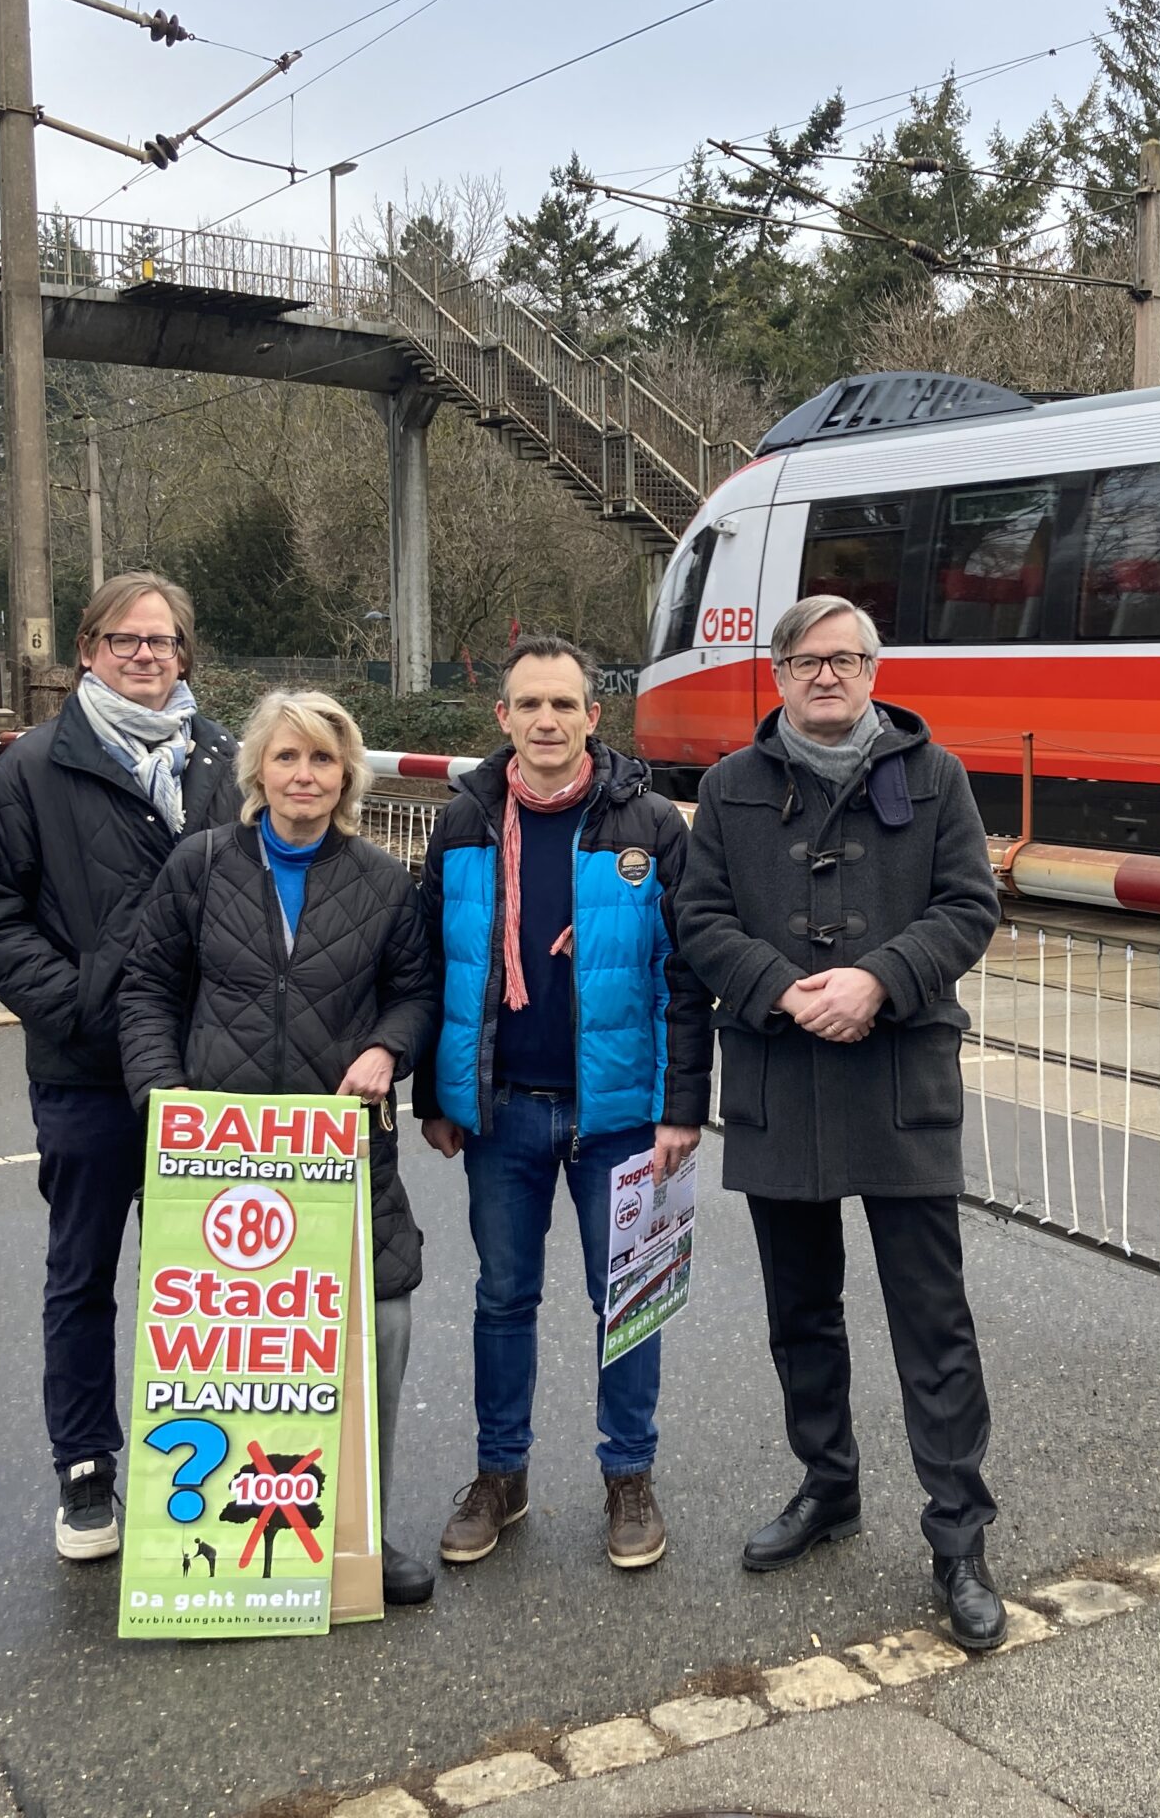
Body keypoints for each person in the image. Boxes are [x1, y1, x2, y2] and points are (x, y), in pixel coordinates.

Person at [674, 594, 1008, 1650]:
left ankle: (959, 1536)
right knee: (800, 1312)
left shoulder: (936, 774)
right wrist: (783, 988)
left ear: (875, 669)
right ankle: (829, 1486)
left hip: (899, 1073)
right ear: (775, 674)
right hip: (782, 1078)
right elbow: (699, 918)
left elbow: (967, 906)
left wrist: (875, 981)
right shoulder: (728, 788)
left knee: (932, 1323)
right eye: (809, 660)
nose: (830, 675)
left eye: (849, 658)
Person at [117, 688, 438, 1607]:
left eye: (323, 761)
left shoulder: (382, 881)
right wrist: (163, 1097)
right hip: (220, 1156)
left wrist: (386, 1048)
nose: (305, 776)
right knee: (233, 1351)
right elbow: (147, 990)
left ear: (348, 775)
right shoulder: (201, 865)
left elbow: (415, 995)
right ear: (259, 768)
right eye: (288, 757)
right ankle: (214, 1546)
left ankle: (356, 1539)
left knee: (376, 1330)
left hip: (340, 1153)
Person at [0, 572, 241, 1562]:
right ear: (87, 650)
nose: (144, 655)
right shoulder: (33, 769)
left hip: (206, 1072)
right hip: (85, 1071)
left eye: (161, 641)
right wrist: (75, 1002)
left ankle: (198, 1466)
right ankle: (85, 1468)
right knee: (82, 1273)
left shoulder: (227, 762)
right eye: (124, 640)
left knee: (203, 1284)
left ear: (184, 654)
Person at [413, 636, 711, 1571]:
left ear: (593, 717)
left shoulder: (651, 825)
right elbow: (434, 970)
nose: (547, 720)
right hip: (501, 1112)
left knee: (626, 1301)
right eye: (529, 705)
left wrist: (682, 1106)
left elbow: (688, 974)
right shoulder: (462, 821)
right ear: (501, 719)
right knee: (503, 1299)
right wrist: (438, 1093)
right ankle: (501, 1474)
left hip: (619, 1116)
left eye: (564, 705)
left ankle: (630, 1475)